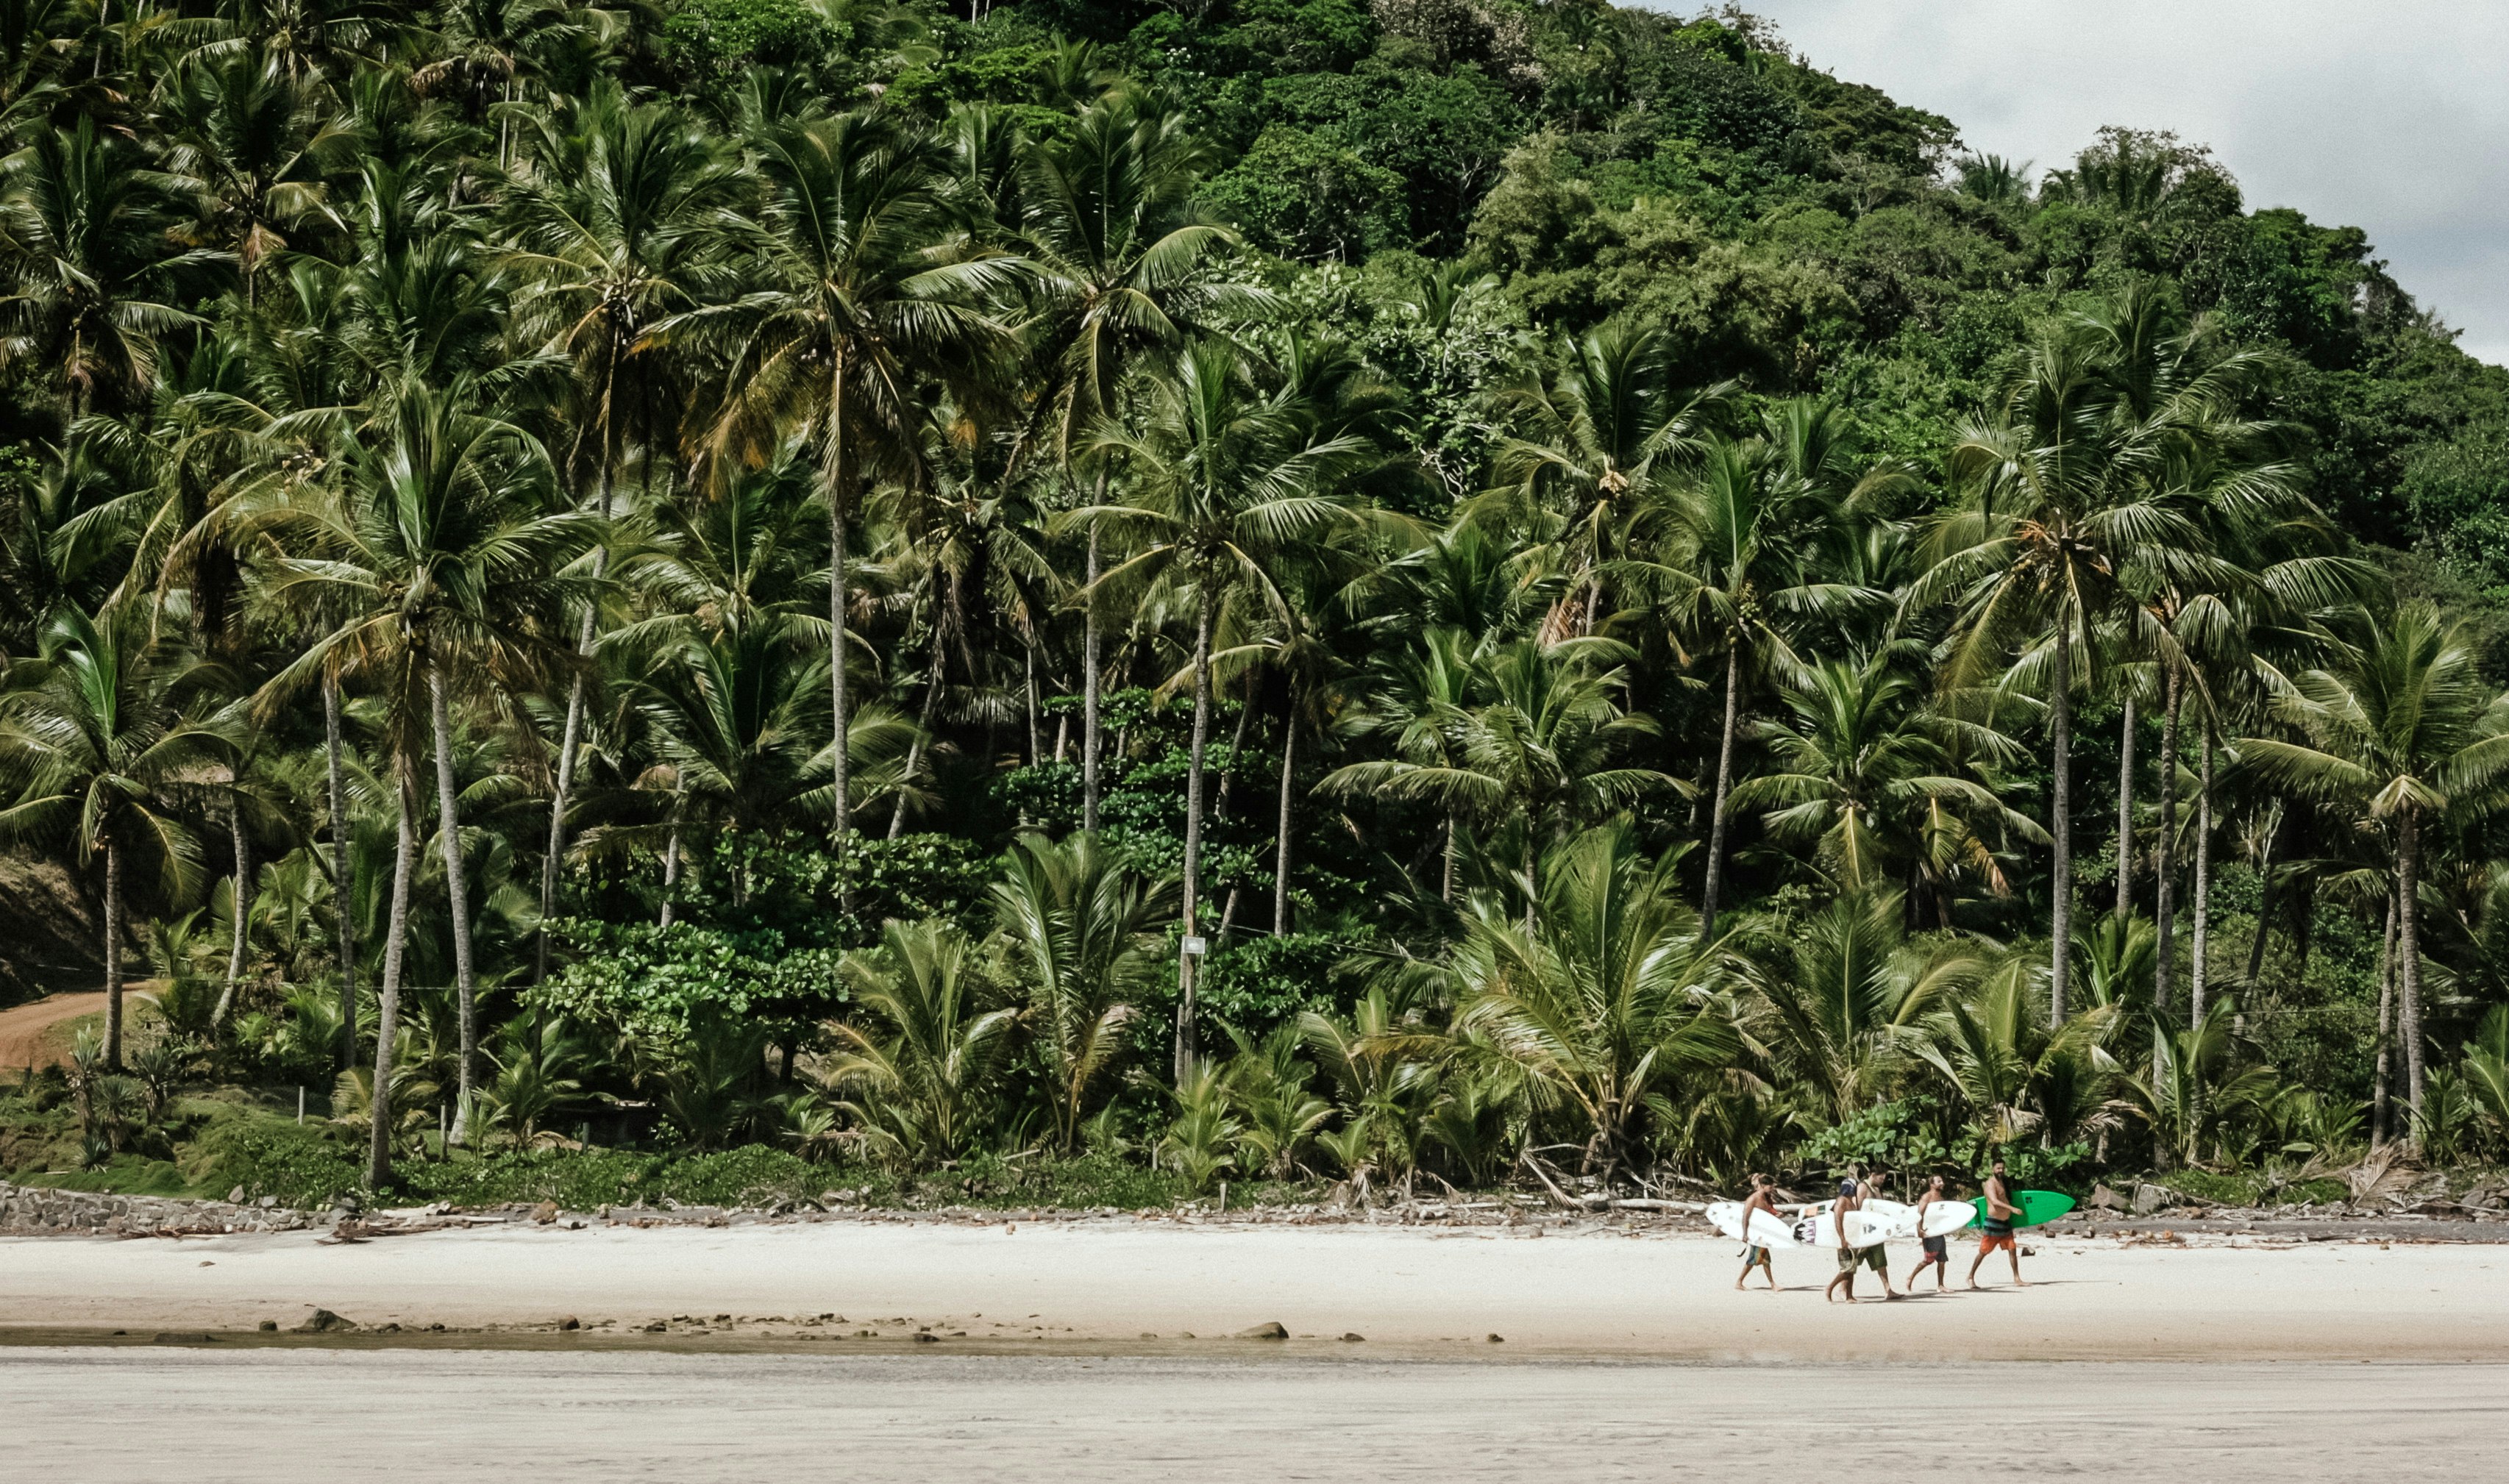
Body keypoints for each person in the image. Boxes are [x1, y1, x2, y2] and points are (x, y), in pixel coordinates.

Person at [1824, 1175, 1894, 1302]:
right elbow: (1838, 1220)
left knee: (1852, 1269)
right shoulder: (1841, 1201)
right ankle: (1830, 1288)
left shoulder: (1851, 1202)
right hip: (1844, 1240)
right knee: (1847, 1269)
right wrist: (1842, 1239)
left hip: (1853, 1240)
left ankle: (1850, 1296)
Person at [1967, 1158, 2028, 1289]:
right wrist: (2012, 1209)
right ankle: (1970, 1276)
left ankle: (2017, 1278)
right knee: (1983, 1252)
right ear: (1992, 1169)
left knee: (2012, 1249)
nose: (2001, 1171)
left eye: (2002, 1168)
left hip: (2005, 1223)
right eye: (1998, 1168)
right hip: (1993, 1223)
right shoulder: (1990, 1184)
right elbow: (1994, 1201)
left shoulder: (2003, 1182)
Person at [1905, 1174, 1954, 1293]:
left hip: (1939, 1232)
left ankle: (1941, 1285)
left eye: (1942, 1181)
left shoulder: (1940, 1198)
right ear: (1932, 1184)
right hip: (1929, 1233)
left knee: (1942, 1260)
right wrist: (1920, 1229)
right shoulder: (1927, 1197)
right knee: (1929, 1260)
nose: (1942, 1183)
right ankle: (1910, 1277)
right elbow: (1919, 1214)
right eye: (1939, 1181)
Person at [1734, 1173, 1781, 1291]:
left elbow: (1768, 1214)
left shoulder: (1766, 1198)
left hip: (1763, 1233)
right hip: (1755, 1234)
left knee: (1756, 1259)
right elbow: (1745, 1217)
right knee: (1762, 1259)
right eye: (1770, 1187)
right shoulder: (1753, 1199)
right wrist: (1745, 1234)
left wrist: (1777, 1215)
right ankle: (1772, 1284)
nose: (1772, 1189)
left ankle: (1739, 1282)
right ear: (1763, 1185)